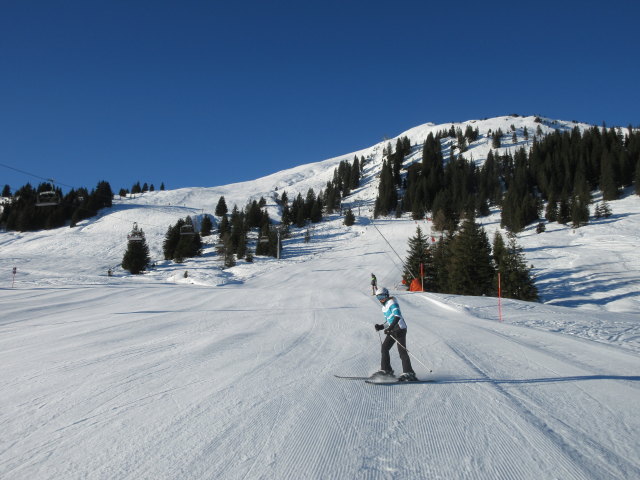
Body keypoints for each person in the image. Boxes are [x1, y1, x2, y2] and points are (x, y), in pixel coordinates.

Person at [373, 287, 417, 381]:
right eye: (378, 297)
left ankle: (409, 373)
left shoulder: (392, 302)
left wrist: (390, 328)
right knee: (384, 347)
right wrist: (381, 326)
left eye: (382, 296)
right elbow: (390, 320)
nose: (381, 299)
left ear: (386, 295)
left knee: (402, 351)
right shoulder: (384, 307)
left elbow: (397, 316)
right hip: (393, 329)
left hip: (400, 328)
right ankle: (386, 370)